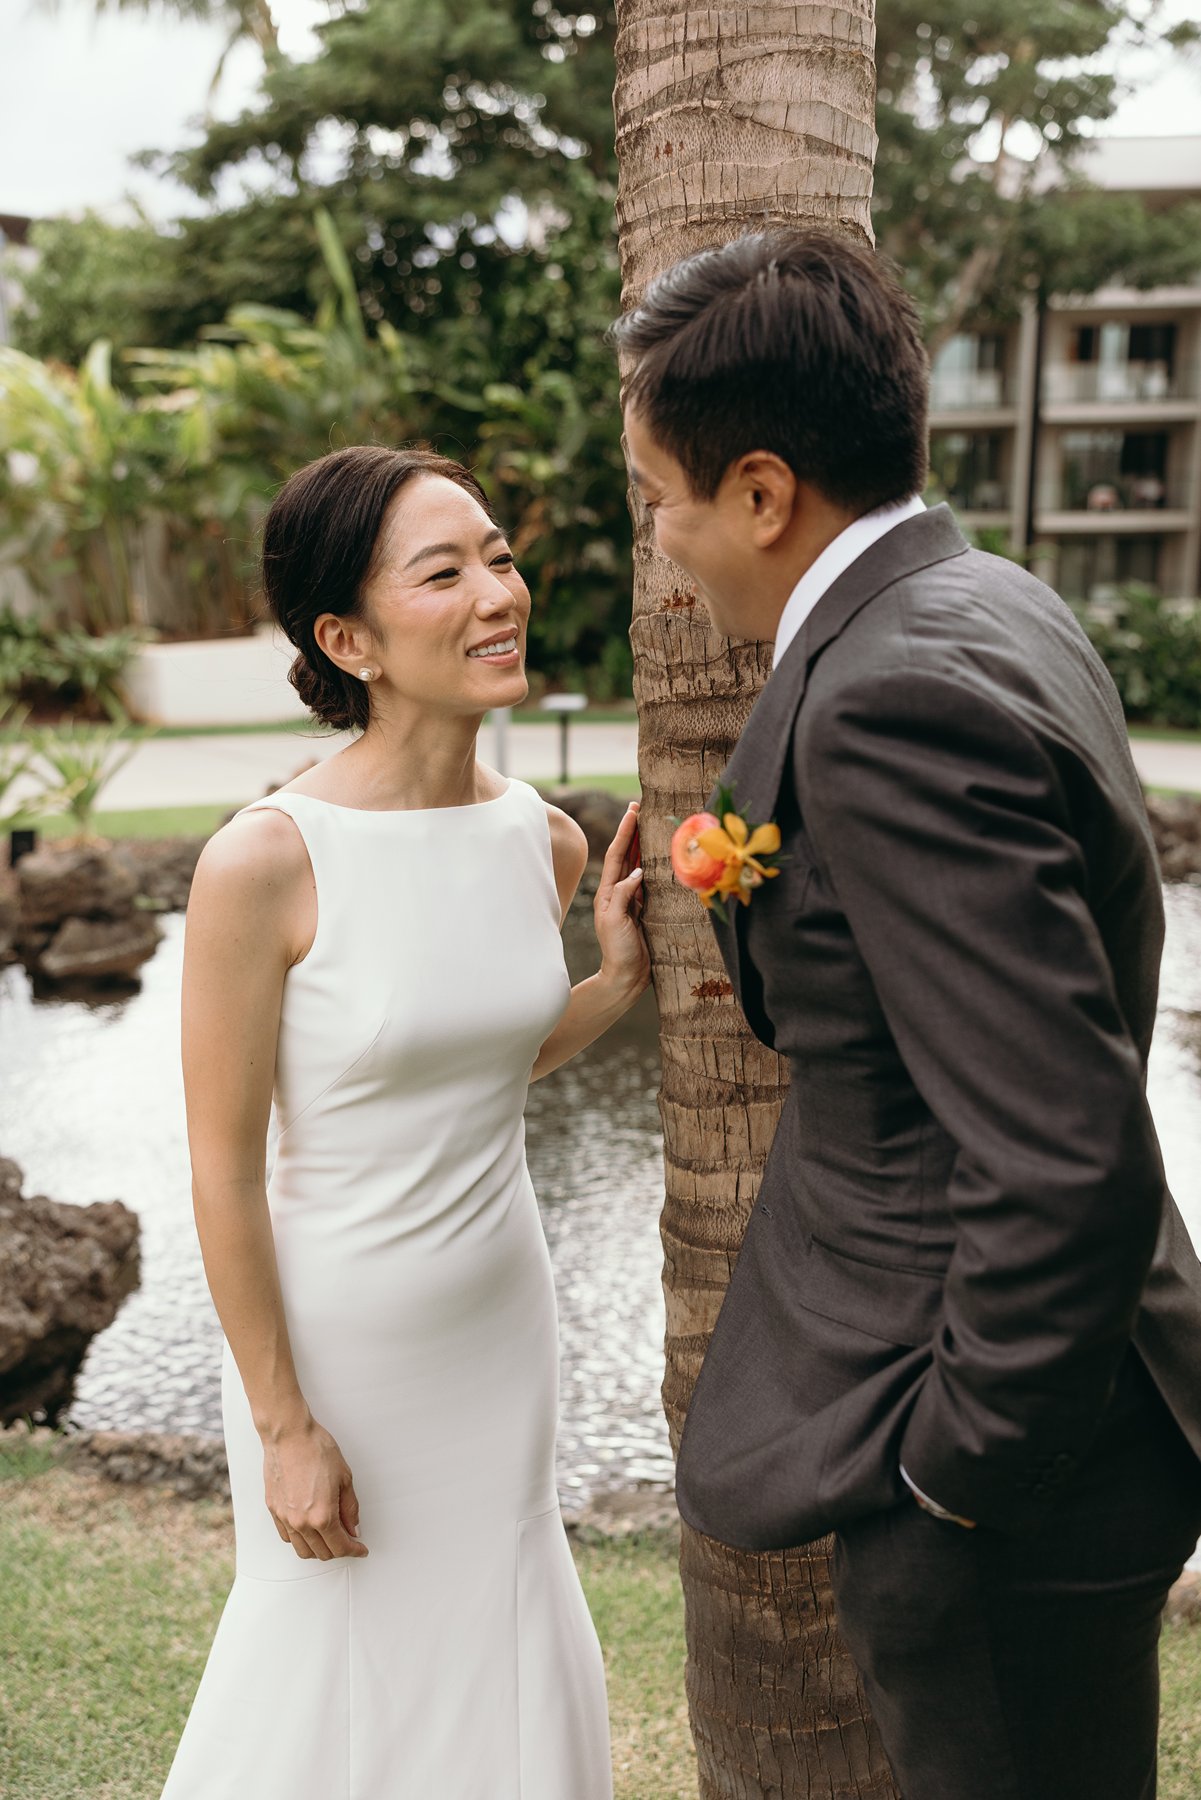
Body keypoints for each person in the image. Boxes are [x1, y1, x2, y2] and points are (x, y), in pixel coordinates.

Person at [611, 231, 1201, 1800]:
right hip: (1070, 1418)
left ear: (756, 490)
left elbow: (1060, 1152)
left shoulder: (885, 697)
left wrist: (952, 1484)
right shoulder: (987, 594)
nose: (660, 542)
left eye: (659, 499)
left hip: (1013, 1481)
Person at [162, 444, 648, 1799]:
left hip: (500, 1340)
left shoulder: (539, 842)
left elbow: (475, 1067)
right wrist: (280, 1423)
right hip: (339, 1358)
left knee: (495, 1631)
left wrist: (609, 987)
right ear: (348, 638)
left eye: (497, 556)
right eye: (444, 572)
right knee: (327, 1661)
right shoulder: (263, 862)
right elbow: (221, 1168)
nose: (497, 592)